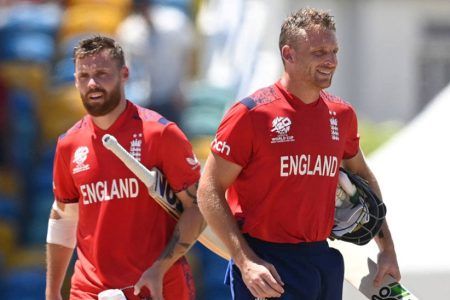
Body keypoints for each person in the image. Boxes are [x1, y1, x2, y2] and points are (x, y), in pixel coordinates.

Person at [197, 7, 401, 300]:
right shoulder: (251, 114)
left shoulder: (341, 114)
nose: (330, 61)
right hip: (268, 263)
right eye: (319, 52)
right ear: (288, 54)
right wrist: (245, 260)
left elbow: (362, 176)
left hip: (322, 259)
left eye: (334, 51)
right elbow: (208, 189)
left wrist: (388, 251)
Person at [45, 35, 204, 300]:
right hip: (89, 291)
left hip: (158, 287)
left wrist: (159, 268)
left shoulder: (160, 134)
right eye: (83, 76)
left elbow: (198, 207)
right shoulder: (68, 145)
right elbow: (65, 217)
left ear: (124, 74)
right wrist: (52, 291)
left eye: (102, 73)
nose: (92, 83)